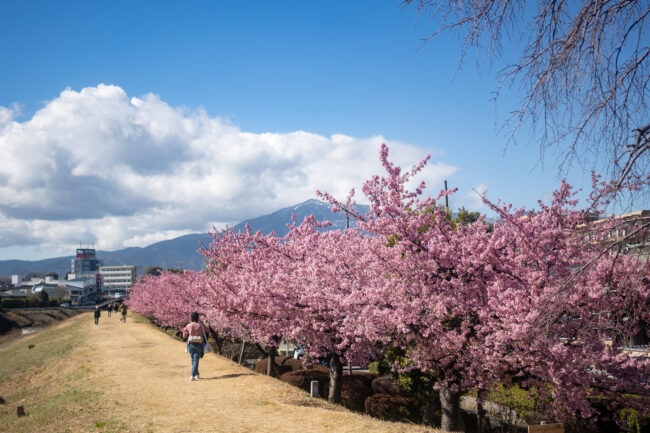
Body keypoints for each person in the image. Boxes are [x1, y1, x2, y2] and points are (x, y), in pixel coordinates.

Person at [182, 312, 208, 382]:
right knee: (196, 360)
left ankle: (197, 375)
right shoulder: (201, 325)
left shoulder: (188, 325)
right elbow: (207, 330)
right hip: (199, 344)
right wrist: (204, 323)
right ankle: (192, 375)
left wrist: (185, 332)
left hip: (190, 344)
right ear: (197, 317)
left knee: (193, 359)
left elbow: (184, 336)